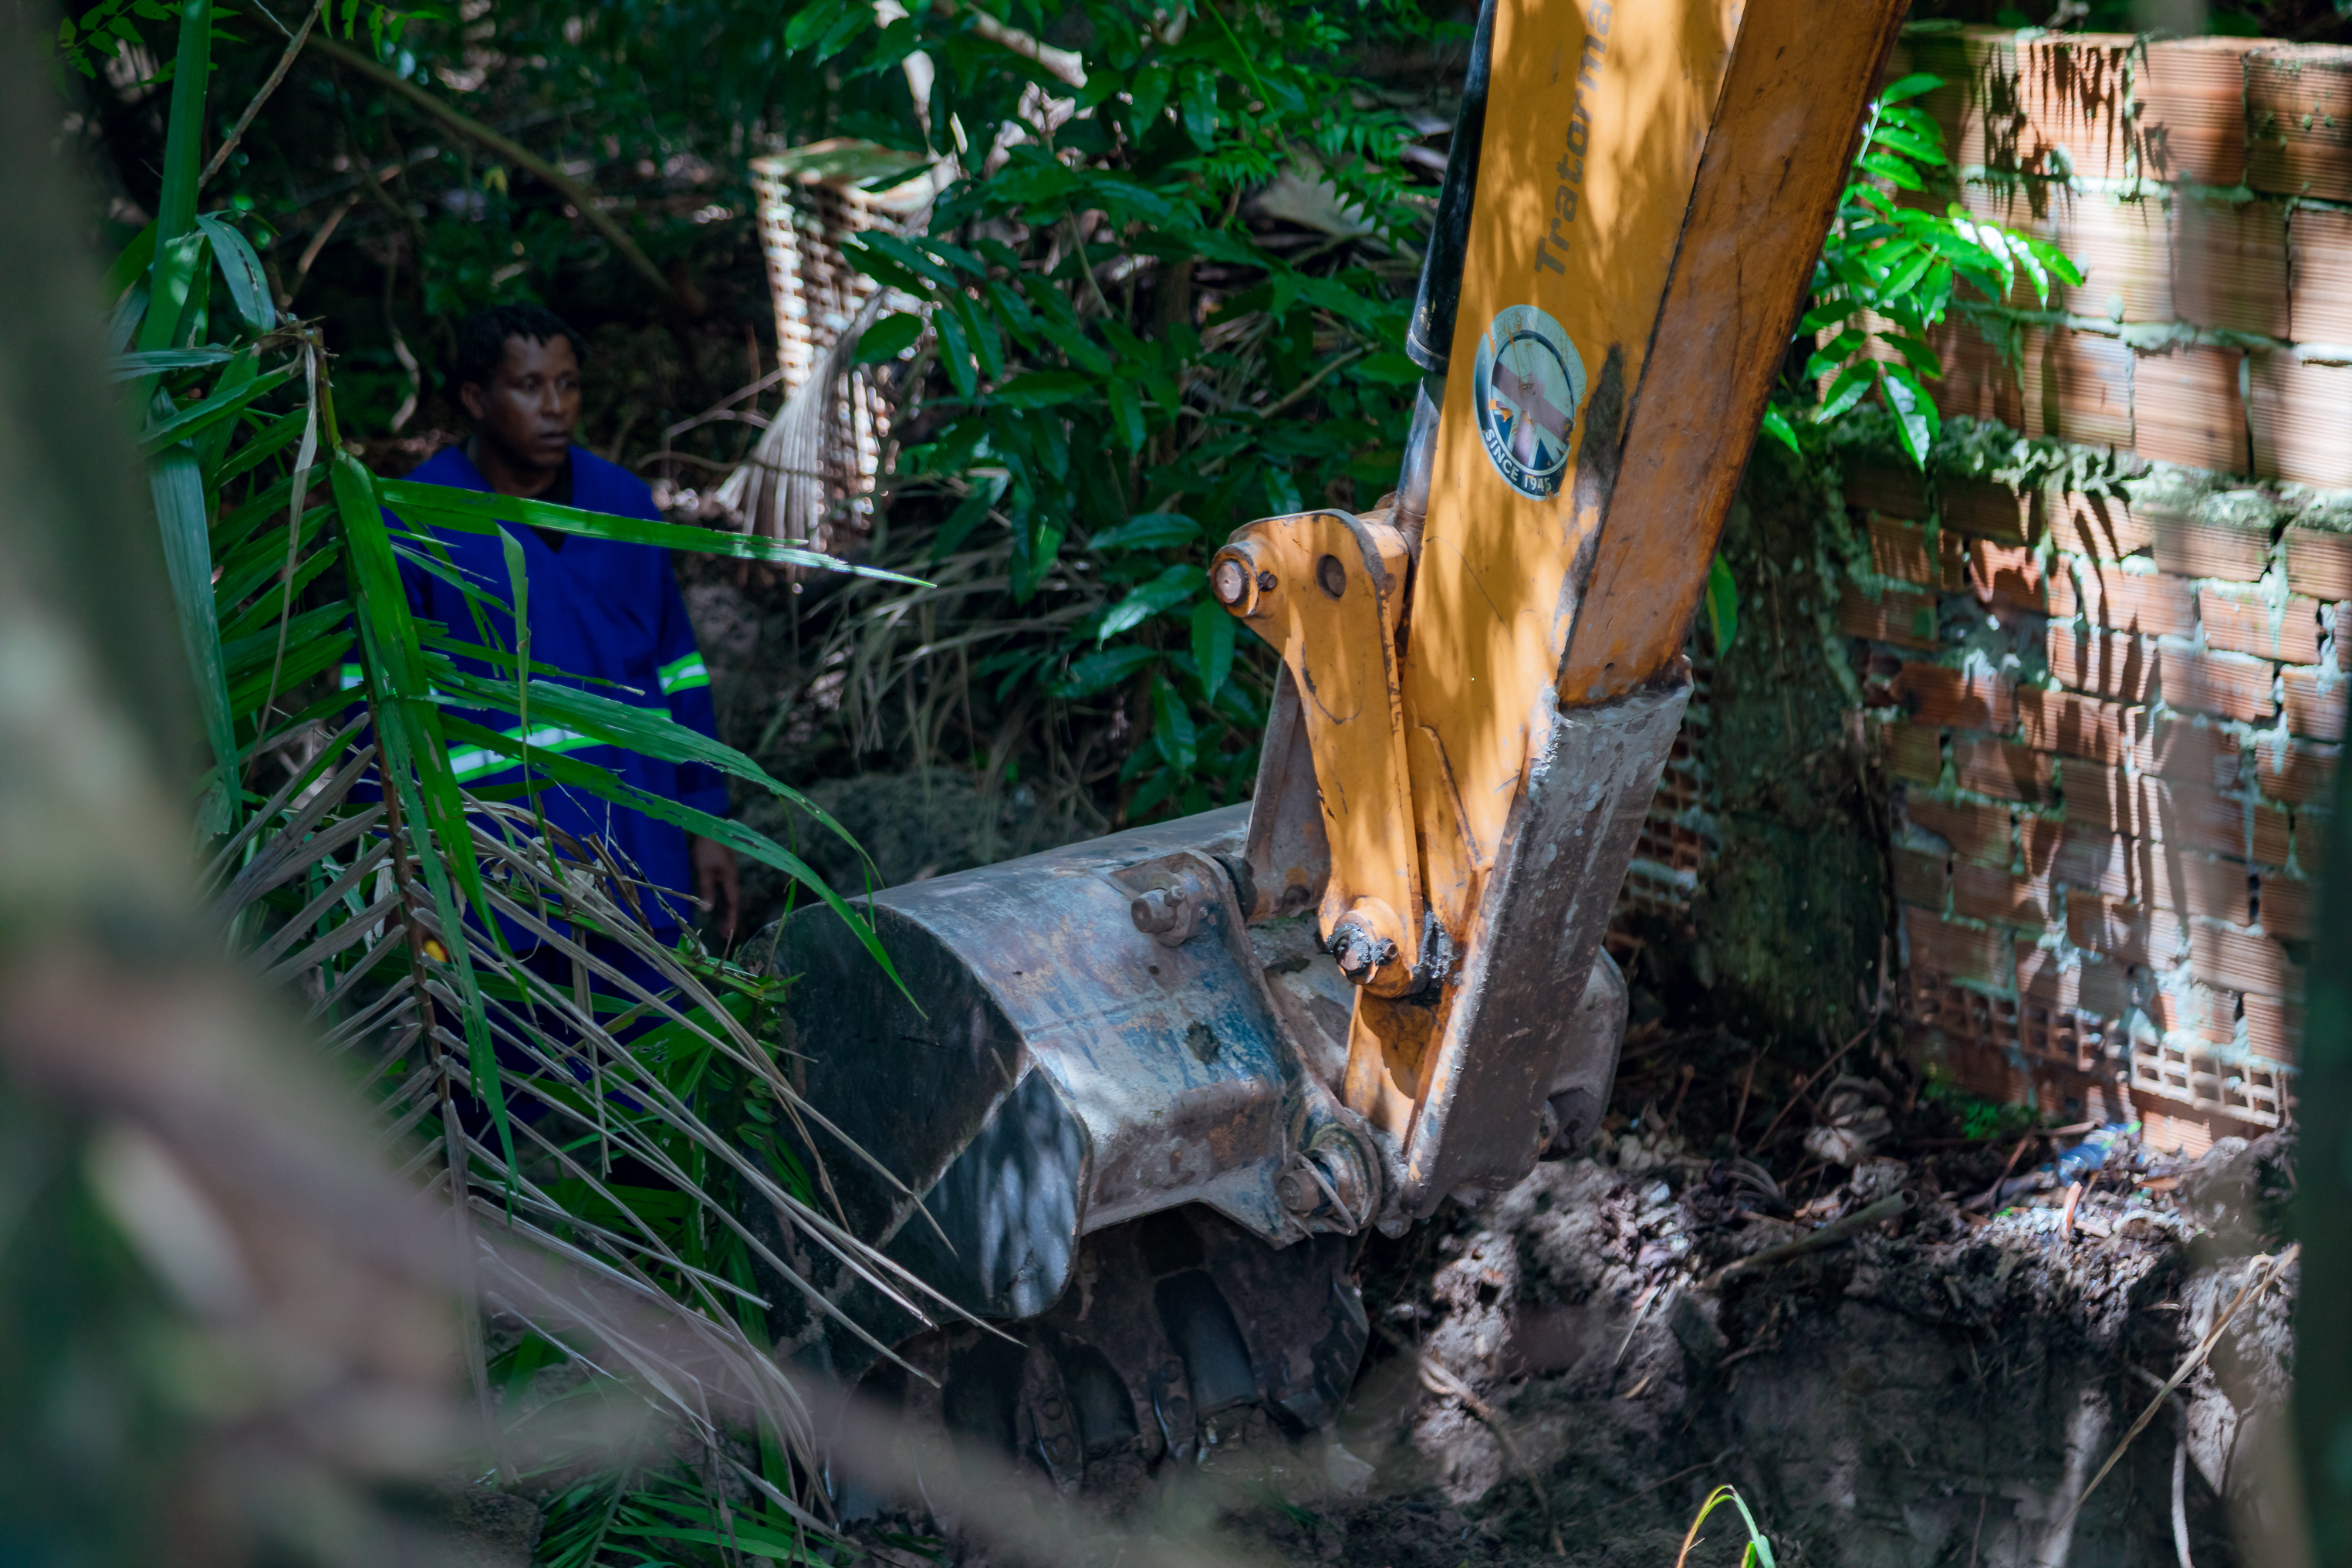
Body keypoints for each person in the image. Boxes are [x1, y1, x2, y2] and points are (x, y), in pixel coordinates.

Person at [387, 302, 741, 948]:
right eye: (529, 386)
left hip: (643, 858)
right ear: (475, 397)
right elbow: (380, 711)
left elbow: (678, 670)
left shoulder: (626, 505)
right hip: (500, 878)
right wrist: (398, 866)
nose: (555, 406)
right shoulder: (415, 524)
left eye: (568, 383)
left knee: (656, 1040)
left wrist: (707, 819)